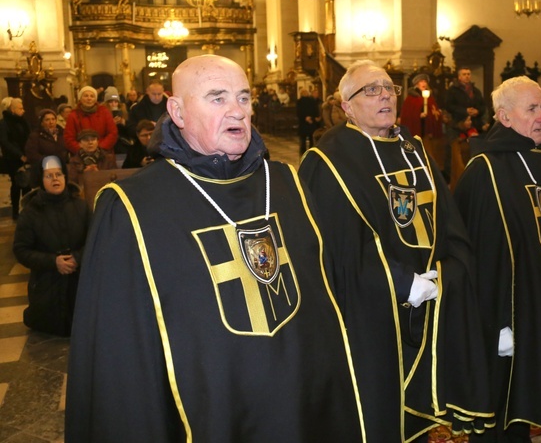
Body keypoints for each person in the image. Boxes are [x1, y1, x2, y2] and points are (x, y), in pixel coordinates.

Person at [65, 55, 364, 442]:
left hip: (301, 404)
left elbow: (325, 303)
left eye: (243, 98)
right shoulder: (130, 206)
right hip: (210, 414)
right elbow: (118, 355)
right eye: (217, 98)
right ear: (177, 111)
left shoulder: (287, 183)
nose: (237, 112)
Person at [299, 60, 492, 441]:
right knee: (379, 408)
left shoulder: (414, 149)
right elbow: (337, 244)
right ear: (347, 105)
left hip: (433, 293)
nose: (385, 95)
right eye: (371, 90)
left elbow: (447, 215)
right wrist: (403, 282)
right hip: (372, 307)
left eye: (389, 88)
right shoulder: (328, 160)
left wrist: (451, 268)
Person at [453, 76, 541, 442]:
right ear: (504, 117)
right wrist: (494, 322)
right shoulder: (484, 170)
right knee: (499, 404)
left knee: (527, 399)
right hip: (505, 318)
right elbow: (476, 257)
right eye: (532, 109)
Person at [13, 155, 90, 336]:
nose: (55, 179)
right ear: (41, 180)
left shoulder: (81, 207)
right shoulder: (31, 212)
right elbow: (21, 250)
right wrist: (53, 261)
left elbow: (95, 240)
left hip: (78, 283)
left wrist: (77, 258)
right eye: (49, 176)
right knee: (50, 327)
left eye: (59, 174)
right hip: (47, 285)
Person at [63, 86, 118, 156]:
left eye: (92, 96)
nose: (89, 98)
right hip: (81, 155)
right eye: (86, 96)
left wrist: (100, 149)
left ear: (95, 99)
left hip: (104, 153)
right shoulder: (73, 115)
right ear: (80, 98)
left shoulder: (104, 112)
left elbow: (112, 133)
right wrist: (82, 151)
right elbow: (69, 138)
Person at [0, 98, 31, 219]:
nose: (23, 110)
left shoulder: (23, 121)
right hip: (12, 158)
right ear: (12, 110)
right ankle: (15, 211)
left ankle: (27, 209)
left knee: (27, 184)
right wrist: (19, 155)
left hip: (26, 156)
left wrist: (28, 153)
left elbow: (29, 136)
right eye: (20, 108)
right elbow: (5, 142)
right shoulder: (4, 123)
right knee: (17, 183)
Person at [398, 73, 443, 138]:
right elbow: (406, 115)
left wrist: (435, 113)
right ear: (417, 84)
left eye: (425, 82)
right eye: (421, 81)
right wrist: (418, 115)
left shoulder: (430, 98)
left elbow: (435, 111)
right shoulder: (411, 98)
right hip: (417, 129)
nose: (424, 84)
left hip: (427, 131)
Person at [296, 86, 321, 155]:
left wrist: (311, 118)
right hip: (303, 122)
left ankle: (311, 152)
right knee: (303, 140)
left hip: (311, 122)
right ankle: (303, 152)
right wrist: (305, 118)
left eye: (306, 92)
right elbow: (299, 112)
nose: (305, 93)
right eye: (303, 92)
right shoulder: (299, 101)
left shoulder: (311, 101)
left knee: (311, 138)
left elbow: (315, 110)